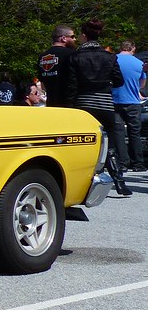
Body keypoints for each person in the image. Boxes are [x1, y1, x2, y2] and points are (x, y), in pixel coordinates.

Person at [67, 19, 129, 196]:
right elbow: (119, 81)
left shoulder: (75, 57)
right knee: (109, 144)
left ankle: (83, 182)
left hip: (84, 104)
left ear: (84, 36)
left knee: (84, 143)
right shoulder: (109, 57)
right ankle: (119, 182)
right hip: (105, 103)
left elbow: (71, 86)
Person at [112, 40, 145, 174]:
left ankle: (122, 163)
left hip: (115, 100)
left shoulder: (112, 60)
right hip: (133, 102)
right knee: (134, 133)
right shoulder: (139, 63)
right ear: (133, 48)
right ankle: (138, 163)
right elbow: (142, 84)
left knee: (118, 132)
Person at [37, 25, 77, 107]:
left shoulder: (42, 56)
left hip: (51, 102)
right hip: (69, 103)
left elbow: (43, 86)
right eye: (72, 37)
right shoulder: (71, 54)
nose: (75, 39)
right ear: (63, 38)